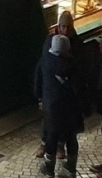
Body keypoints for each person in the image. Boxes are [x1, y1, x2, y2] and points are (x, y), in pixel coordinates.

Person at [36, 35, 83, 177]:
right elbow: (80, 86)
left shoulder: (45, 61)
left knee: (52, 136)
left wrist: (40, 99)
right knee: (71, 137)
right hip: (70, 107)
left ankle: (49, 168)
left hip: (52, 108)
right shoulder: (73, 63)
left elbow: (37, 82)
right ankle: (71, 167)